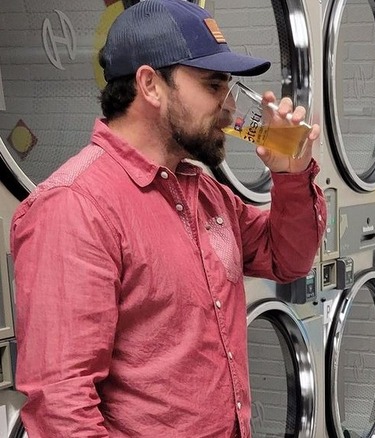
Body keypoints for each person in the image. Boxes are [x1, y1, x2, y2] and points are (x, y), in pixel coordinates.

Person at [10, 0, 325, 436]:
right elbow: (61, 403)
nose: (232, 108)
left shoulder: (206, 193)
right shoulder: (75, 206)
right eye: (215, 85)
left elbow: (288, 259)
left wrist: (291, 178)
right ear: (150, 85)